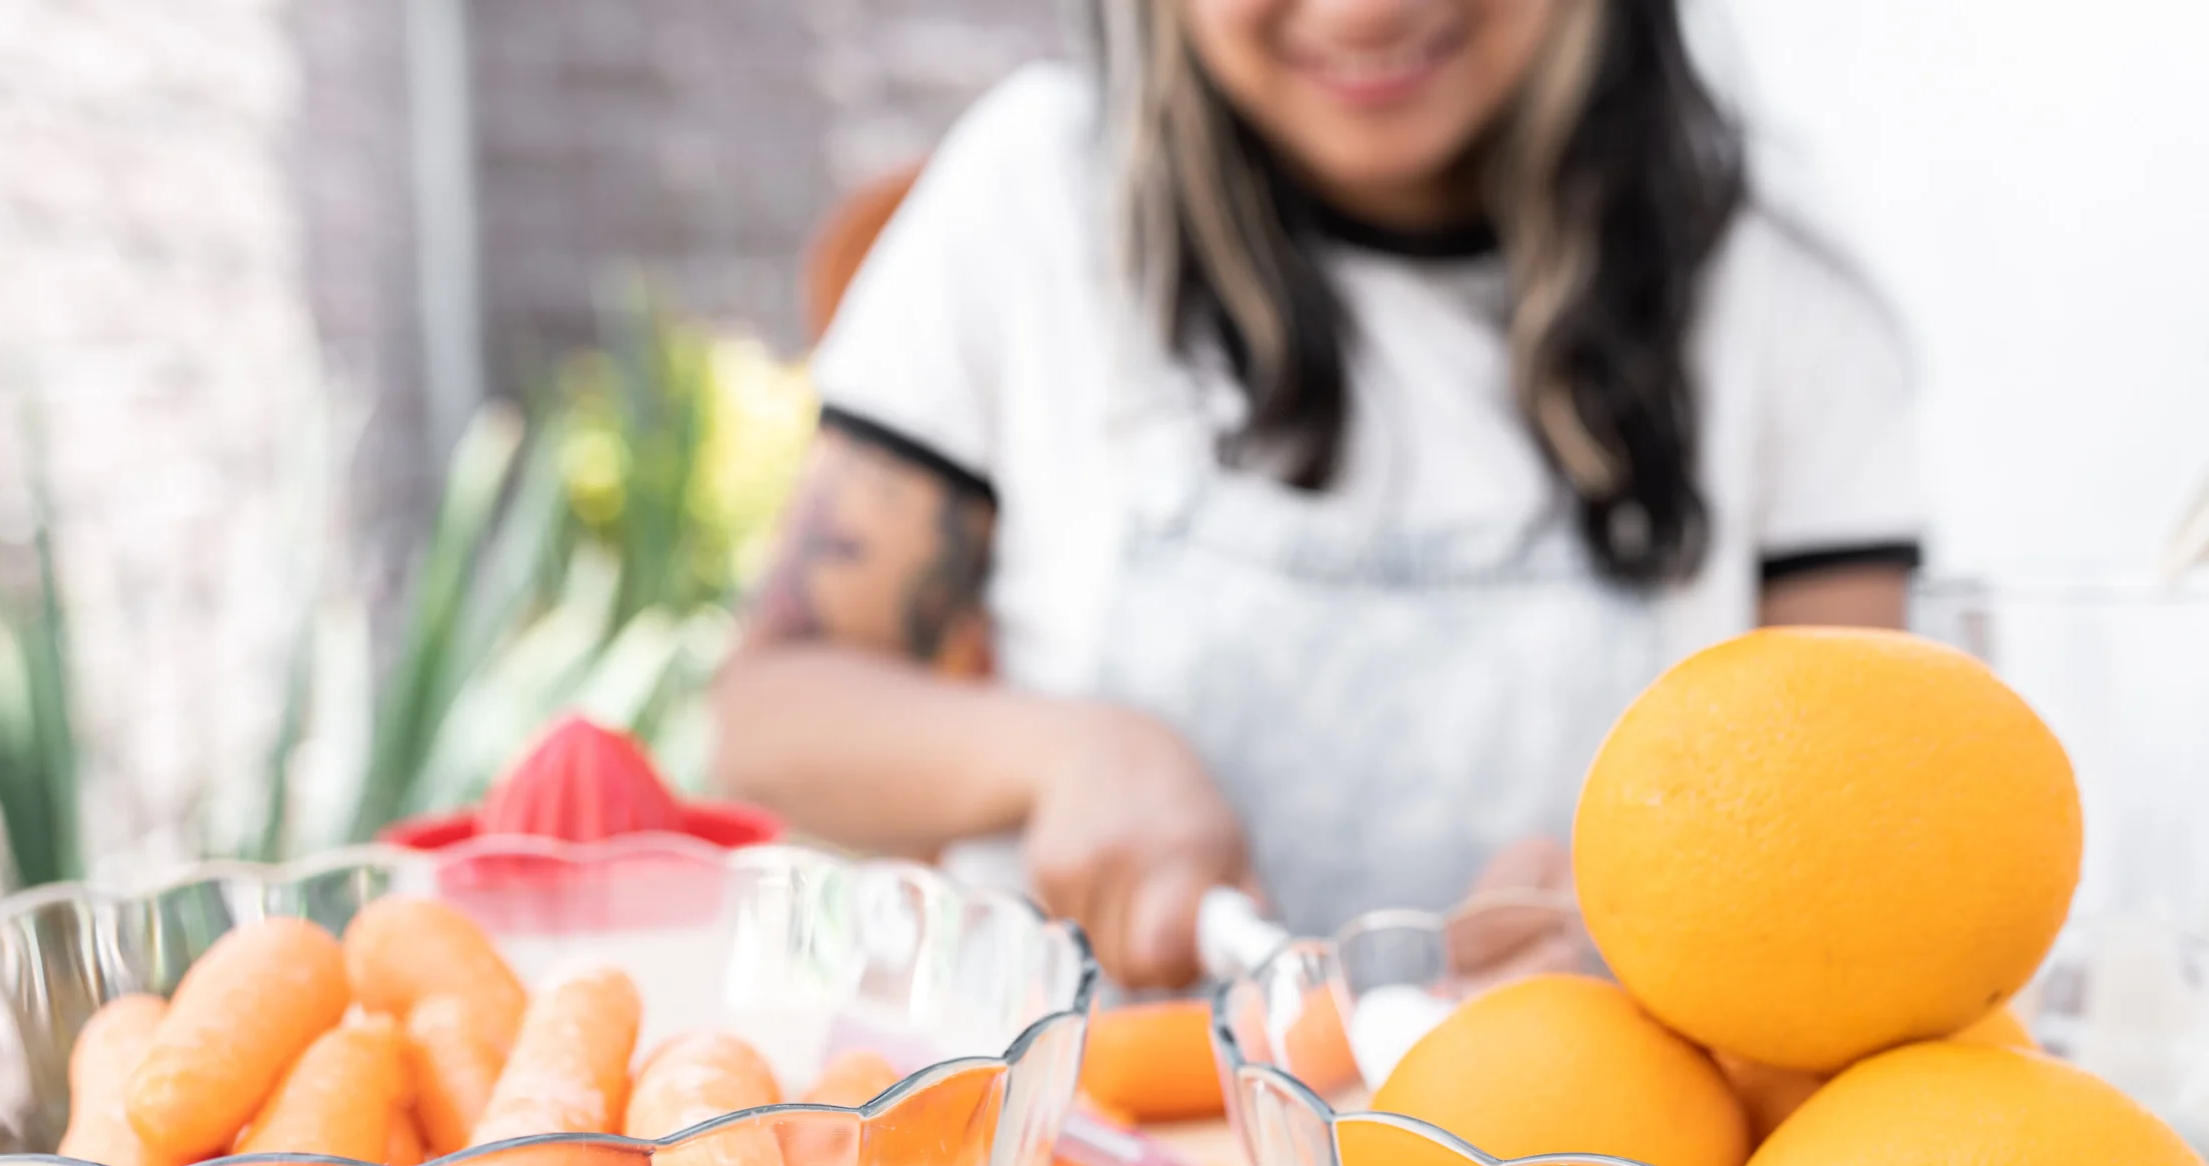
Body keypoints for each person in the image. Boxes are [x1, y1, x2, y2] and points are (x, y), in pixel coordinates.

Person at [715, 0, 1919, 990]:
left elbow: (1862, 829)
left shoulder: (1778, 292)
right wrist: (1063, 752)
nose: (1365, 12)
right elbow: (772, 714)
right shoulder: (1036, 199)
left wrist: (1671, 937)